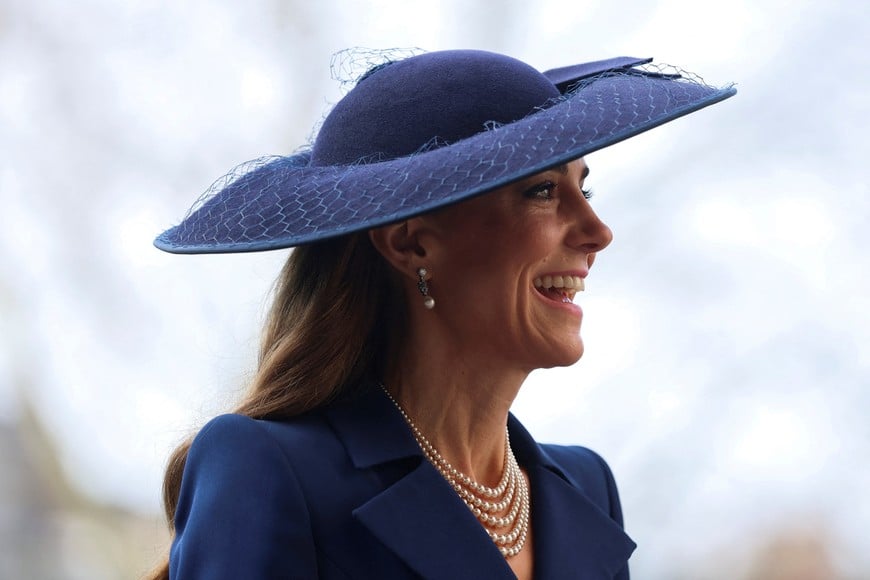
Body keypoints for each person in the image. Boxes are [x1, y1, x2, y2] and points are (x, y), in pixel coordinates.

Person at [151, 49, 735, 579]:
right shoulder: (271, 468)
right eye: (541, 192)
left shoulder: (585, 488)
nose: (597, 232)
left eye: (586, 189)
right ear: (411, 245)